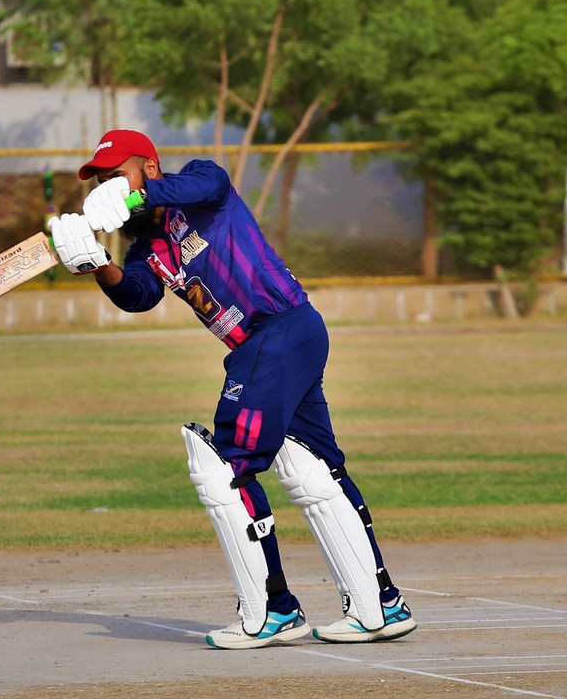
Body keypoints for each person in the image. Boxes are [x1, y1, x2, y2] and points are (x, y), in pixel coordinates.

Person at [46, 129, 417, 650]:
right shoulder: (146, 248)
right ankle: (380, 606)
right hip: (272, 344)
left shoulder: (200, 185)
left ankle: (273, 611)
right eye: (100, 181)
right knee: (311, 468)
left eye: (117, 175)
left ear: (149, 167)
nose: (107, 187)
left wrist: (137, 194)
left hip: (279, 330)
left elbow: (210, 183)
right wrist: (97, 266)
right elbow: (137, 297)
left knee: (224, 469)